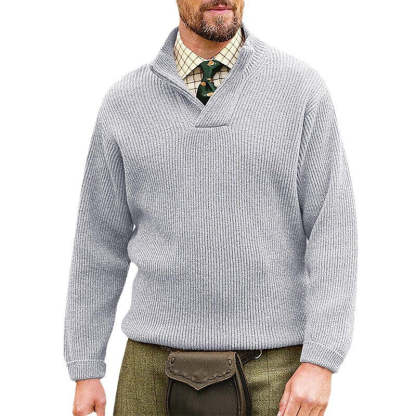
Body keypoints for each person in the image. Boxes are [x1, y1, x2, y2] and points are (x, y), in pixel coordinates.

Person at [64, 1, 358, 415]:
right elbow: (98, 241)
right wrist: (85, 365)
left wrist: (321, 359)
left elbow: (333, 229)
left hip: (276, 371)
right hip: (149, 369)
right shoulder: (124, 103)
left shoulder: (300, 91)